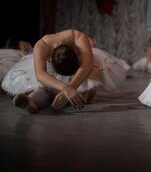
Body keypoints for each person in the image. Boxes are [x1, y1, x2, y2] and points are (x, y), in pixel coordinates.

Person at [1, 29, 130, 114]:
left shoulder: (78, 37)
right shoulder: (41, 46)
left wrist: (71, 88)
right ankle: (31, 100)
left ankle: (78, 96)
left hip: (81, 66)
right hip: (51, 69)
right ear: (51, 57)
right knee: (43, 87)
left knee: (87, 88)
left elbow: (87, 65)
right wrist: (65, 89)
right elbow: (40, 74)